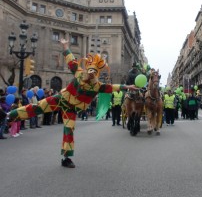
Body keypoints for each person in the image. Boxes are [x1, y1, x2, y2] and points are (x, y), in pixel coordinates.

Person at [8, 37, 138, 168]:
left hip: (71, 109)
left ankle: (66, 158)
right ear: (87, 70)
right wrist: (65, 46)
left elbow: (113, 87)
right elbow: (71, 60)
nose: (90, 74)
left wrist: (127, 87)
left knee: (69, 130)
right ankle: (11, 115)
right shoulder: (79, 73)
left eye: (93, 73)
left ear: (97, 74)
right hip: (61, 99)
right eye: (89, 71)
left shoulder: (98, 86)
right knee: (38, 107)